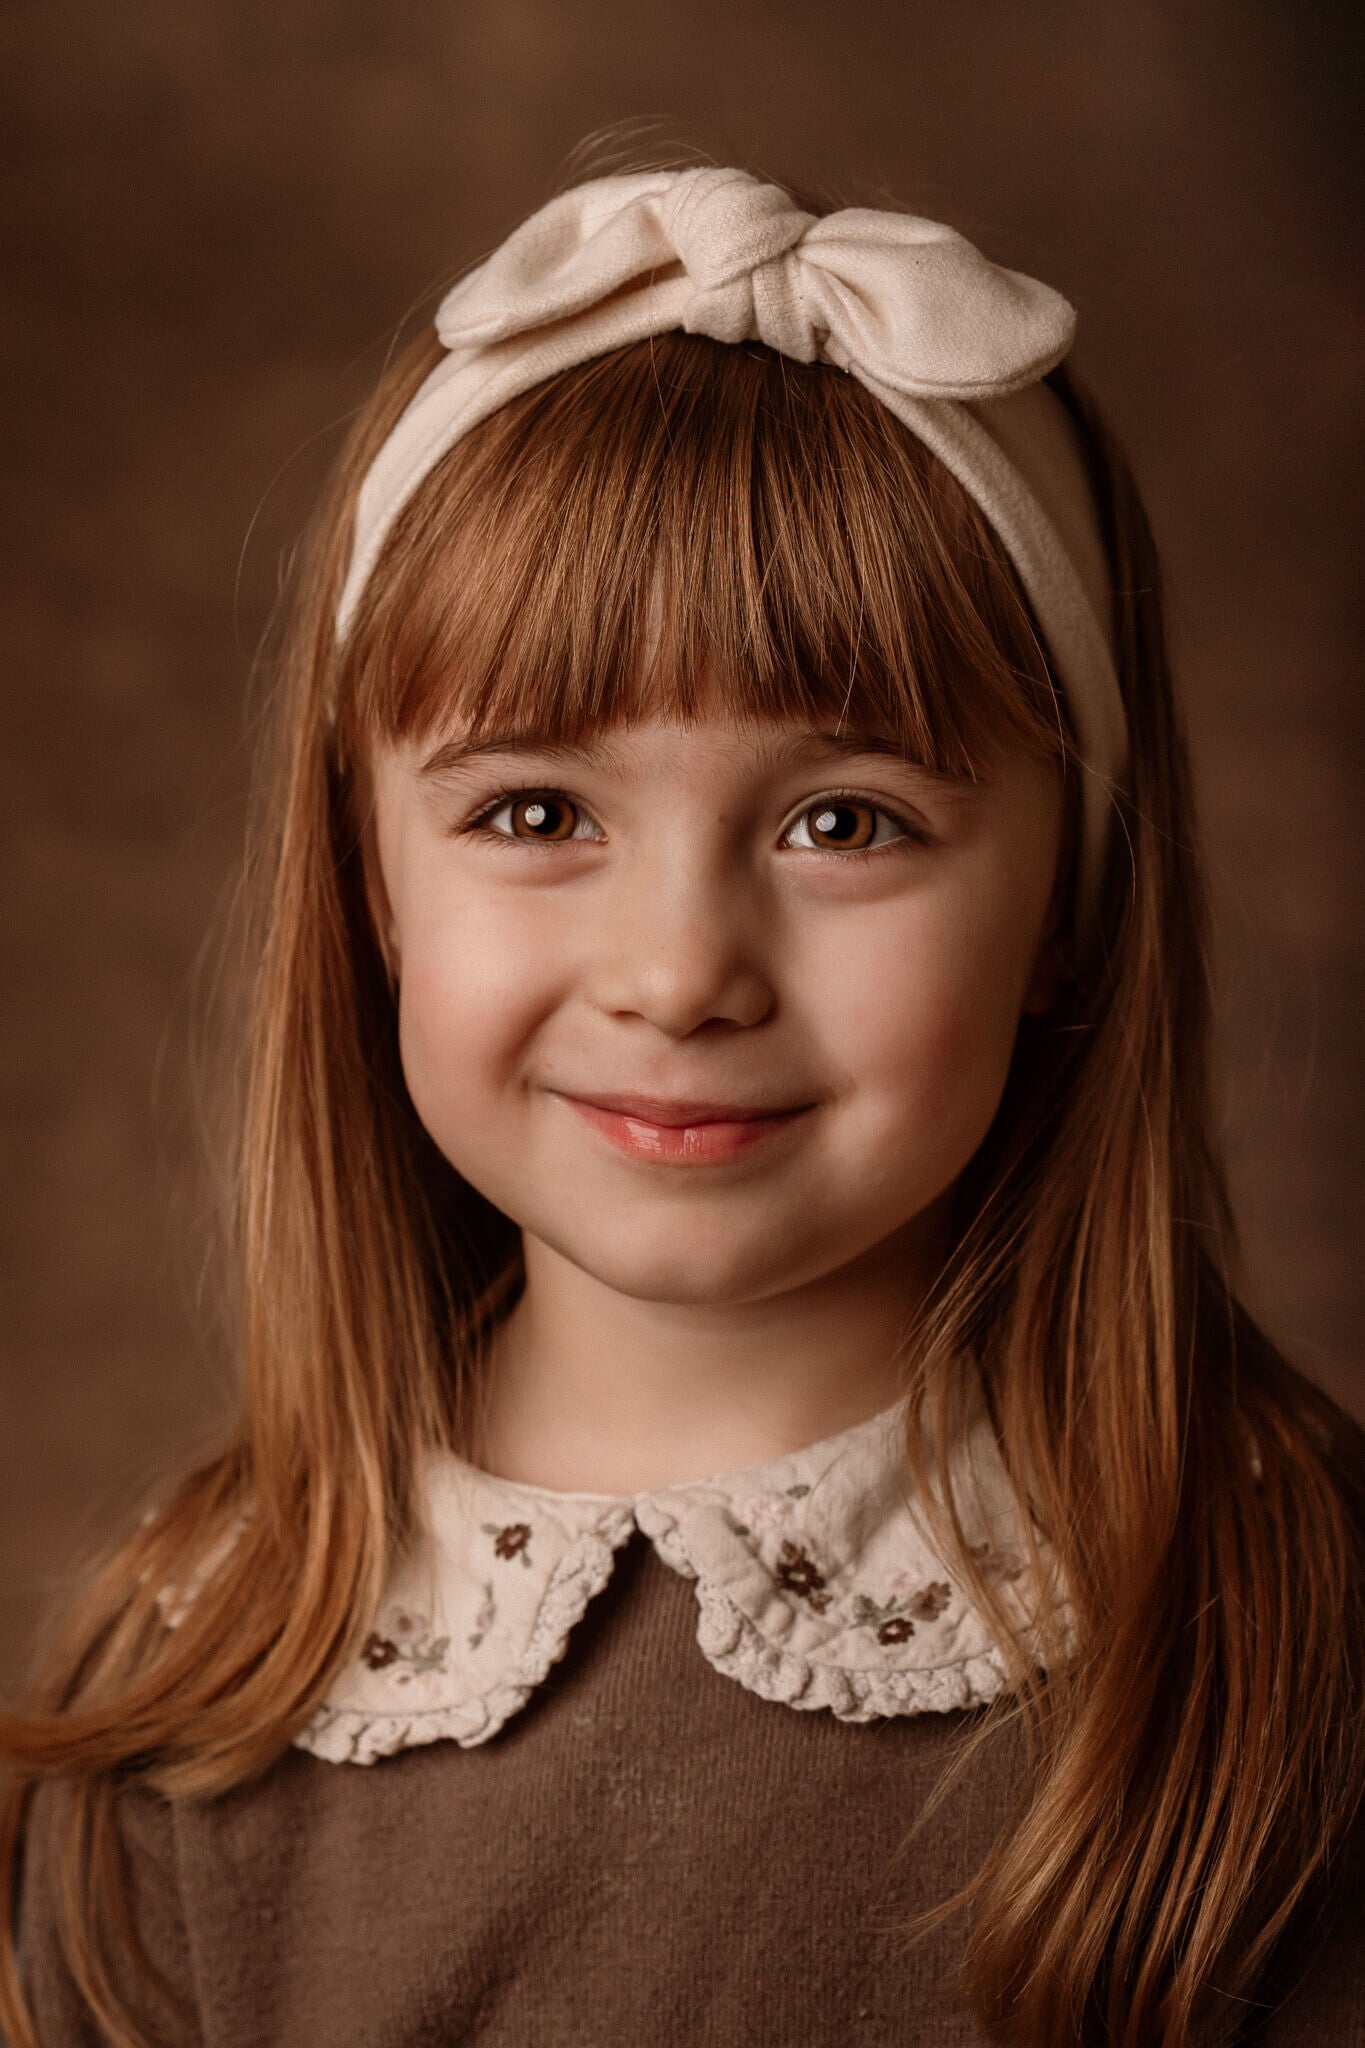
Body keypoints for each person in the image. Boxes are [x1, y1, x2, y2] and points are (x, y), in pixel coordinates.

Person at [2, 161, 1361, 2048]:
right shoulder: (197, 1671)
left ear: (1069, 903)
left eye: (844, 822)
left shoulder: (1285, 1636)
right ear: (372, 887)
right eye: (534, 812)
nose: (678, 972)